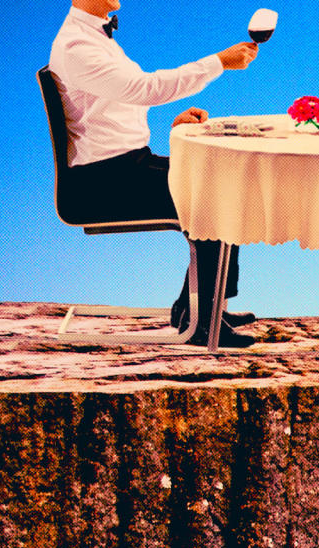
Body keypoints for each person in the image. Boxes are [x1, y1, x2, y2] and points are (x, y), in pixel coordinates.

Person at [49, 0, 259, 347]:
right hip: (101, 182)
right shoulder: (77, 46)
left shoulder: (95, 37)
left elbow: (122, 101)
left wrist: (174, 124)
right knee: (214, 197)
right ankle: (201, 322)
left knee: (225, 181)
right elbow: (144, 88)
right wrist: (218, 62)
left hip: (125, 164)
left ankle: (196, 306)